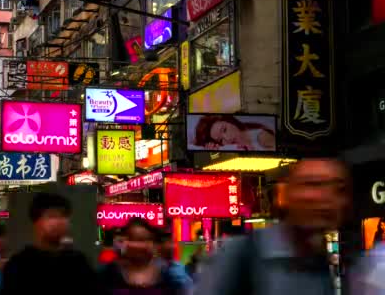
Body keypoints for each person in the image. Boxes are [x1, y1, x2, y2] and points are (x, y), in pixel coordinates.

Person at [195, 158, 349, 295]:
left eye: (338, 188)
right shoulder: (239, 257)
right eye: (313, 184)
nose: (325, 196)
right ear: (286, 195)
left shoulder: (322, 266)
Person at [0, 192, 97, 295]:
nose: (59, 221)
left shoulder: (79, 263)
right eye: (52, 216)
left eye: (63, 216)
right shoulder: (19, 264)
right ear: (36, 222)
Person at [99, 218, 183, 295]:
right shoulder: (110, 273)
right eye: (132, 239)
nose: (137, 245)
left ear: (153, 244)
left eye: (143, 240)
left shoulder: (168, 274)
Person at [193, 115, 275, 151]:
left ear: (231, 121)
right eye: (221, 140)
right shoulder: (236, 149)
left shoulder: (262, 136)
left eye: (224, 130)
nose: (228, 138)